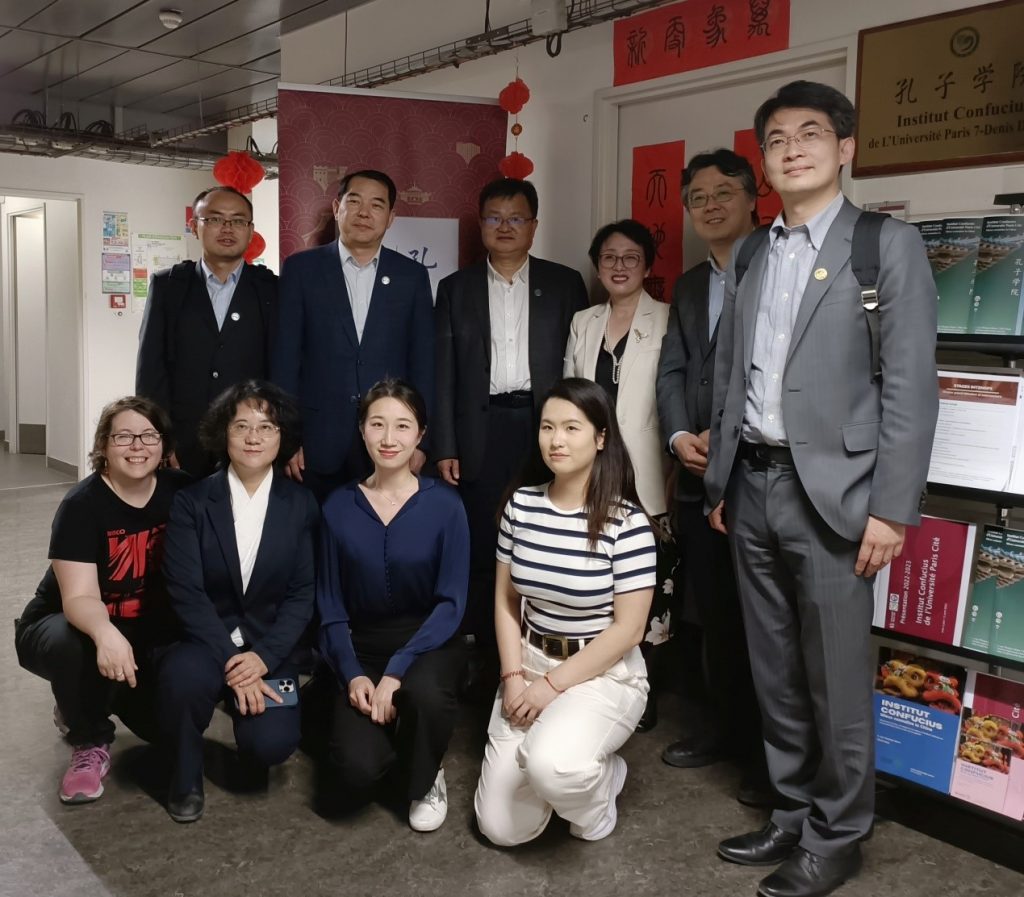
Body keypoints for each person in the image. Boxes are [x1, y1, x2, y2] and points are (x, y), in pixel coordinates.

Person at [705, 81, 938, 897]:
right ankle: (794, 808)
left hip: (837, 496)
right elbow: (731, 374)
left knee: (835, 676)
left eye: (810, 134)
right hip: (754, 483)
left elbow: (911, 386)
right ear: (764, 163)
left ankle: (839, 834)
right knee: (773, 667)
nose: (792, 149)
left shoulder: (883, 245)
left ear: (845, 149)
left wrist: (892, 508)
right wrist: (721, 477)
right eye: (776, 139)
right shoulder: (754, 251)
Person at [474, 377, 656, 846]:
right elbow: (506, 600)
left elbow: (630, 629)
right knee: (500, 829)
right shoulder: (521, 505)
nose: (556, 440)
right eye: (547, 427)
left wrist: (552, 687)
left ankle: (598, 792)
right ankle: (563, 771)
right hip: (529, 663)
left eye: (572, 428)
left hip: (600, 673)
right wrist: (514, 677)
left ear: (601, 438)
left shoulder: (628, 522)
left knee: (552, 766)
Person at [434, 177, 588, 683]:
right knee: (484, 543)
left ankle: (539, 650)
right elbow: (444, 374)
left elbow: (579, 367)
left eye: (516, 218)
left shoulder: (564, 284)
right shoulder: (455, 288)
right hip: (479, 432)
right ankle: (486, 653)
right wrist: (445, 445)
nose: (505, 227)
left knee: (545, 536)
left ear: (534, 226)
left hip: (544, 428)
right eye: (494, 218)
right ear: (481, 225)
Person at [655, 149, 769, 803]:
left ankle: (768, 756)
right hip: (698, 476)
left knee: (766, 624)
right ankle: (724, 729)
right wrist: (678, 438)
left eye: (724, 192)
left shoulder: (780, 269)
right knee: (717, 615)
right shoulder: (691, 284)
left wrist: (725, 444)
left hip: (757, 478)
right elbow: (673, 369)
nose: (710, 205)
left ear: (755, 198)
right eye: (697, 197)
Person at [15, 397, 189, 804]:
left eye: (149, 436)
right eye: (123, 436)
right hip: (65, 623)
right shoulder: (82, 505)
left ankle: (82, 699)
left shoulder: (180, 490)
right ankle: (88, 740)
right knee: (75, 644)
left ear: (164, 445)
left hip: (140, 628)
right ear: (104, 446)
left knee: (165, 726)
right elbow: (78, 597)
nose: (137, 446)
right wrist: (105, 634)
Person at [159, 380, 319, 823]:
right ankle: (184, 773)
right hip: (206, 640)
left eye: (266, 427)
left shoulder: (301, 504)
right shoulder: (192, 502)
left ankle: (247, 715)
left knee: (271, 745)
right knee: (181, 680)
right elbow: (186, 592)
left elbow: (302, 593)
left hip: (269, 647)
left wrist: (263, 658)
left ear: (282, 437)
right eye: (241, 426)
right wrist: (234, 662)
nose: (253, 437)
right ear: (222, 433)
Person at [318, 379, 469, 832]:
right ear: (361, 430)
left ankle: (427, 769)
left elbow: (451, 604)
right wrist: (352, 673)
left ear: (420, 434)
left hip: (428, 641)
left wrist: (397, 672)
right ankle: (399, 733)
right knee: (355, 771)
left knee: (424, 697)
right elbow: (330, 606)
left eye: (402, 426)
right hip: (362, 646)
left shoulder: (446, 506)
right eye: (377, 424)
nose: (389, 438)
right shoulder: (337, 507)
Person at [563, 219, 671, 732]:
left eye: (631, 257)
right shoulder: (583, 321)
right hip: (592, 469)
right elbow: (569, 393)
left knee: (649, 587)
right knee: (595, 579)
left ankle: (644, 691)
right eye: (609, 257)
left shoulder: (668, 319)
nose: (619, 266)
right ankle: (593, 685)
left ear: (647, 266)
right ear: (597, 265)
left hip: (647, 468)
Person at [272, 169, 434, 503]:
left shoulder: (411, 276)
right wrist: (287, 437)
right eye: (355, 201)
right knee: (314, 529)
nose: (364, 213)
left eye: (377, 205)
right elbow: (285, 359)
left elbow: (423, 363)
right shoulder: (302, 269)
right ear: (337, 208)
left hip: (388, 440)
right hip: (316, 440)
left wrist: (421, 441)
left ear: (390, 217)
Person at [136, 186, 278, 478]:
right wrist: (157, 434)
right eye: (215, 219)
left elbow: (282, 367)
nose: (227, 228)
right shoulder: (169, 286)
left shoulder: (271, 289)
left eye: (238, 220)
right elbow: (151, 368)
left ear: (250, 230)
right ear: (194, 226)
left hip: (252, 438)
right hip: (184, 439)